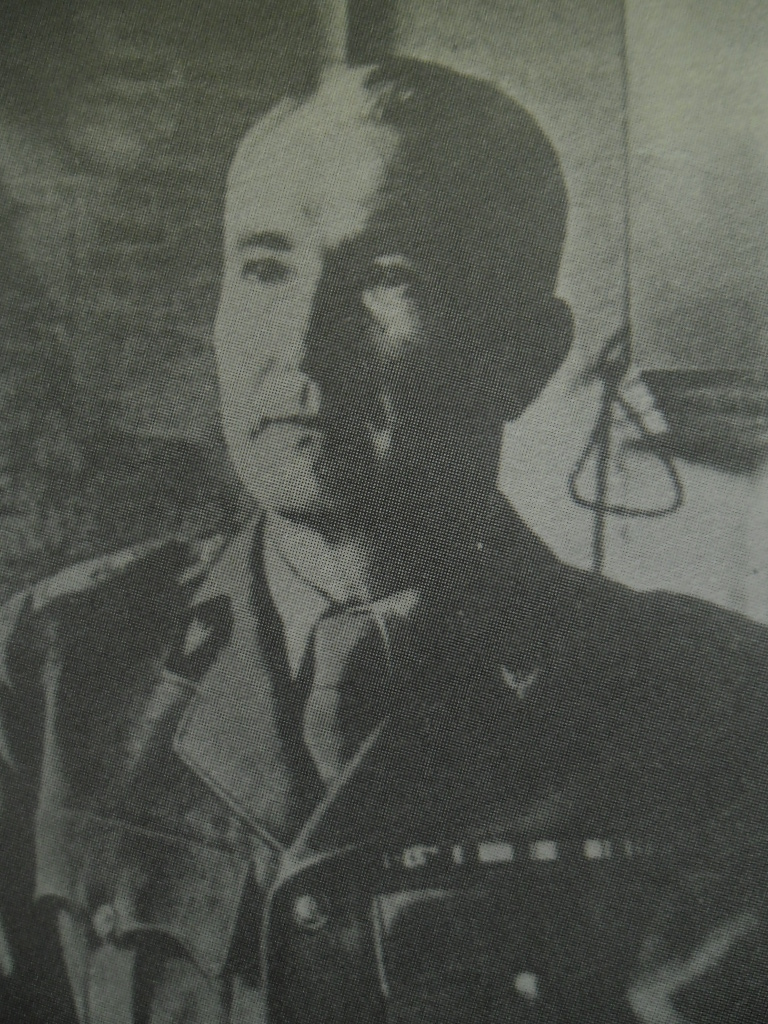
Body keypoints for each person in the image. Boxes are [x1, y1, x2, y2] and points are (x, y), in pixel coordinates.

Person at [1, 58, 767, 1024]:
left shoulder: (712, 711)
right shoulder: (58, 662)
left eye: (385, 277)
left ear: (526, 357)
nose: (300, 345)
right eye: (265, 268)